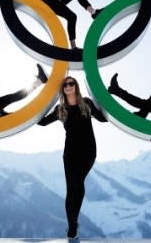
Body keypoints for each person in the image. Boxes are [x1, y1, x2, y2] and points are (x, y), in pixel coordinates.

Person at [38, 76, 107, 239]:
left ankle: (74, 221)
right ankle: (72, 225)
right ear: (62, 89)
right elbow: (41, 122)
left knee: (78, 182)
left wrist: (107, 98)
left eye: (71, 83)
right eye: (65, 85)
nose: (68, 86)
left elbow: (103, 119)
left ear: (76, 86)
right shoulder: (60, 109)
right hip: (69, 154)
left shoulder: (87, 104)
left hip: (88, 151)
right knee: (71, 189)